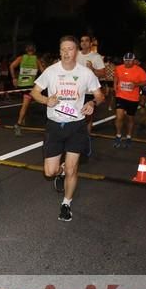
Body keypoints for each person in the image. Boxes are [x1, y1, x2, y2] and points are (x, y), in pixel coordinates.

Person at [31, 35, 103, 222]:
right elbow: (34, 92)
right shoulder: (51, 71)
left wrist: (92, 103)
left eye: (70, 49)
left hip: (76, 126)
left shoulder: (86, 73)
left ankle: (66, 204)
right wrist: (47, 100)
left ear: (76, 51)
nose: (66, 53)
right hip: (55, 126)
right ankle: (60, 171)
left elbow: (99, 95)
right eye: (63, 49)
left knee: (72, 169)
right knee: (49, 172)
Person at [112, 53, 146, 148]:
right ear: (123, 60)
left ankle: (128, 136)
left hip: (133, 98)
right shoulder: (119, 68)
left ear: (134, 60)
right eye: (126, 60)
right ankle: (118, 135)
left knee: (130, 118)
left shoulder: (139, 70)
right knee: (119, 116)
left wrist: (136, 85)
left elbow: (145, 82)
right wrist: (115, 84)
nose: (127, 62)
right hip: (120, 96)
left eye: (130, 60)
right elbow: (116, 76)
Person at [10, 43, 44, 132]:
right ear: (34, 51)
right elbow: (43, 71)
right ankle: (19, 123)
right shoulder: (36, 59)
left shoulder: (21, 58)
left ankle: (23, 120)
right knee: (25, 104)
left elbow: (11, 66)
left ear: (26, 50)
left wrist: (14, 78)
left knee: (26, 102)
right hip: (29, 85)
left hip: (21, 85)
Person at [76, 34, 105, 138]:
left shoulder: (96, 57)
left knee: (87, 116)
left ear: (90, 43)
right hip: (76, 91)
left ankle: (86, 138)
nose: (84, 43)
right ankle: (77, 136)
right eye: (82, 40)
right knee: (75, 115)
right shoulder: (75, 55)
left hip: (89, 91)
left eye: (86, 41)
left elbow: (102, 74)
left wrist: (92, 69)